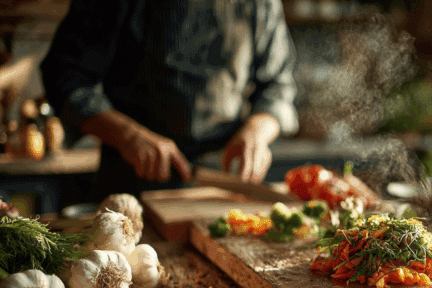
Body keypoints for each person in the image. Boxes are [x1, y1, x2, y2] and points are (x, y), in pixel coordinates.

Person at [40, 0, 299, 201]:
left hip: (224, 185)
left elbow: (279, 84)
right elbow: (65, 77)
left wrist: (257, 131)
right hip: (132, 187)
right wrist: (129, 136)